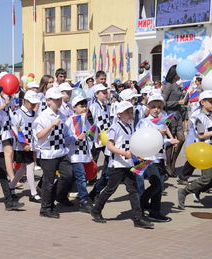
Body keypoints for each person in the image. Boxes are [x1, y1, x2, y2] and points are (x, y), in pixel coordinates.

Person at [91, 101, 154, 229]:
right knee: (110, 189)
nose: (130, 115)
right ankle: (96, 210)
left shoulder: (131, 127)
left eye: (131, 112)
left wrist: (137, 156)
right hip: (118, 165)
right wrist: (124, 153)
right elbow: (109, 146)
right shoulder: (115, 127)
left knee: (133, 190)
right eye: (127, 113)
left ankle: (138, 218)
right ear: (119, 114)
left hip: (129, 164)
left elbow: (132, 145)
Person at [33, 87, 75, 219]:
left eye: (59, 99)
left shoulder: (61, 115)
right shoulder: (42, 117)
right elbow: (38, 136)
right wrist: (51, 126)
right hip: (48, 154)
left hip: (61, 152)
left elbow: (65, 133)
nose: (58, 102)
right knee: (48, 182)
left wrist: (74, 138)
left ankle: (56, 197)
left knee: (68, 175)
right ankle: (45, 208)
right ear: (48, 101)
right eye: (56, 100)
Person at [136, 94, 179, 222]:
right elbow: (142, 139)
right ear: (148, 107)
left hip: (159, 158)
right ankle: (141, 203)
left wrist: (169, 141)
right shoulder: (144, 122)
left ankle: (155, 212)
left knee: (159, 186)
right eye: (153, 106)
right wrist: (156, 134)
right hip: (148, 159)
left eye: (159, 107)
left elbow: (160, 141)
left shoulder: (161, 122)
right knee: (157, 185)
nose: (156, 109)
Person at [178, 90, 212, 209]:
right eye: (210, 101)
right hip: (205, 151)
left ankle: (198, 190)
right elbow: (201, 135)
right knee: (206, 178)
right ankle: (185, 191)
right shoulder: (199, 117)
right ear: (203, 102)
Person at [9, 90, 41, 203]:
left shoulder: (33, 113)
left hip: (30, 144)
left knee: (23, 168)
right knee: (30, 166)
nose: (33, 105)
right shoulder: (17, 113)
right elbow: (15, 129)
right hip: (21, 146)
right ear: (25, 101)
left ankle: (11, 186)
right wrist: (23, 143)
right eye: (31, 103)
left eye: (34, 103)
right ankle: (33, 193)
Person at [65, 94, 93, 213]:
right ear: (74, 107)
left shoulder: (85, 119)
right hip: (74, 154)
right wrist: (77, 138)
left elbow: (90, 134)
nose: (84, 108)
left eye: (85, 105)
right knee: (80, 177)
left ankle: (62, 195)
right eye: (81, 106)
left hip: (84, 153)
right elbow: (65, 138)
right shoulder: (70, 120)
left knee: (78, 177)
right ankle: (84, 200)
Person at [163, 65, 186, 177]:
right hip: (170, 116)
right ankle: (168, 165)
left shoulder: (177, 85)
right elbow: (163, 102)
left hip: (178, 115)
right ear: (174, 74)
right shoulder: (168, 85)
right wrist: (177, 102)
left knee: (181, 139)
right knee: (171, 142)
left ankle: (173, 162)